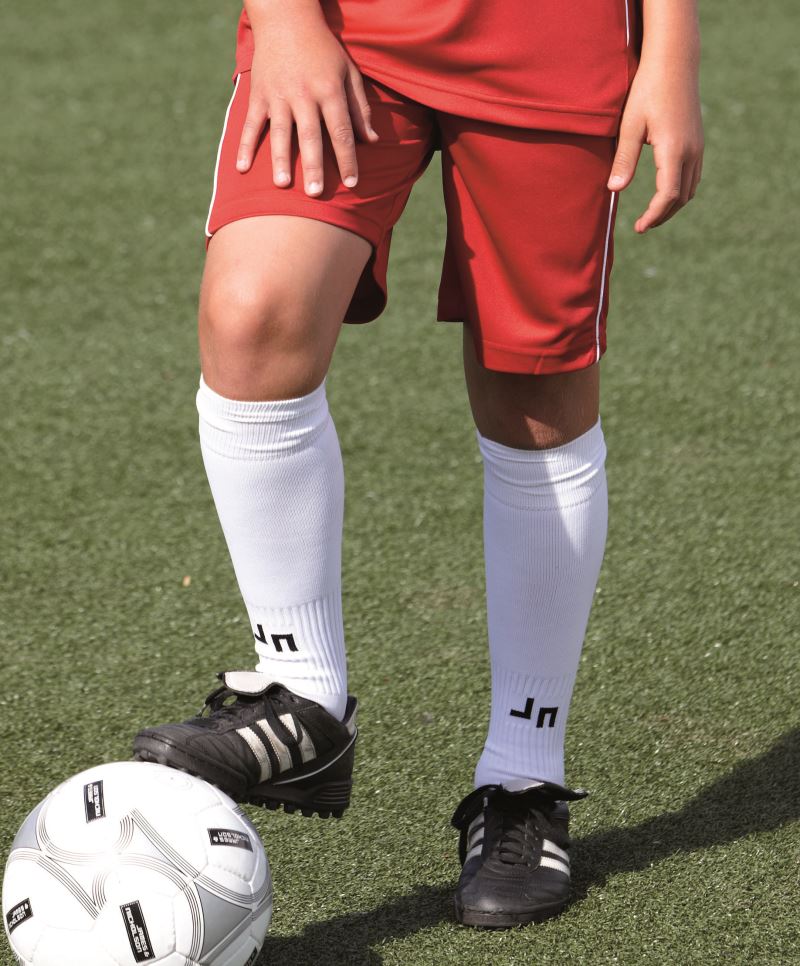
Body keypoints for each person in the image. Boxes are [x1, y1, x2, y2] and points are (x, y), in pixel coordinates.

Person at [134, 0, 704, 927]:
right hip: (345, 23)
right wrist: (285, 22)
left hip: (552, 37)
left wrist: (671, 51)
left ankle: (523, 777)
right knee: (252, 313)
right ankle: (301, 694)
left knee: (534, 392)